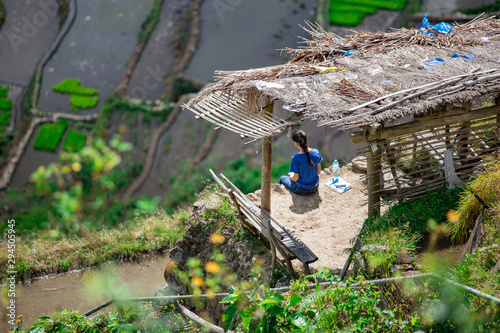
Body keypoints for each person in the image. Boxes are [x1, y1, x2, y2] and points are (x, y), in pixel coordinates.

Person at [279, 129, 322, 195]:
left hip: (301, 190)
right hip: (315, 187)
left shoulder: (295, 158)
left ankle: (281, 194)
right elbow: (319, 171)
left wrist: (291, 177)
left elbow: (296, 178)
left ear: (296, 143)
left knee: (283, 178)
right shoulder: (316, 152)